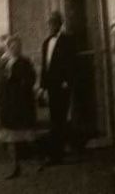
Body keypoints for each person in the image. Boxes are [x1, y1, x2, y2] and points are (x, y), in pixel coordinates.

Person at [0, 35, 37, 179]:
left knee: (27, 135)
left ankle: (36, 162)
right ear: (8, 48)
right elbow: (0, 83)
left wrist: (20, 84)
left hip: (21, 105)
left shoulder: (25, 62)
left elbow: (31, 79)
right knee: (10, 138)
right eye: (12, 47)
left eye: (17, 47)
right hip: (8, 105)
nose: (15, 49)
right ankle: (15, 166)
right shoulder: (4, 63)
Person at [39, 11, 76, 166]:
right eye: (50, 23)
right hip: (51, 86)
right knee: (54, 118)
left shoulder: (67, 41)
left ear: (60, 24)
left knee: (60, 118)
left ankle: (58, 152)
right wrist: (42, 86)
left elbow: (71, 62)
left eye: (54, 23)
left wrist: (67, 81)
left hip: (62, 85)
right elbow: (45, 65)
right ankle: (56, 151)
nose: (51, 26)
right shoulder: (47, 42)